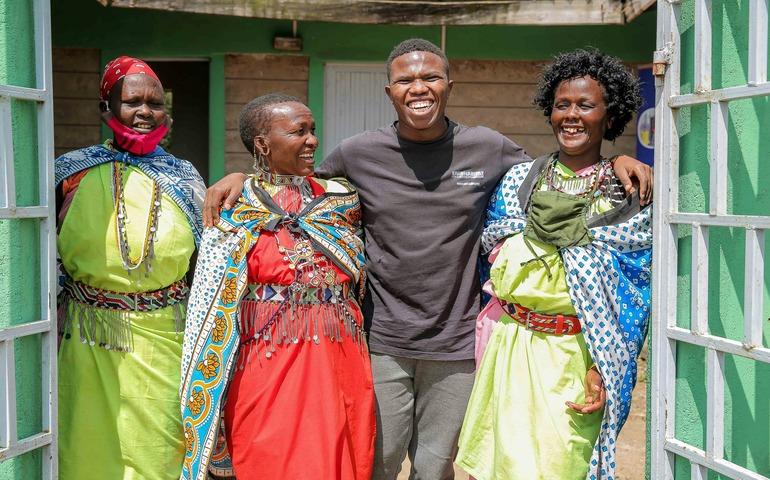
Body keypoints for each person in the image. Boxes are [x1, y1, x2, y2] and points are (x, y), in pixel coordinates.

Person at [204, 39, 652, 480]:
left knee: (435, 469)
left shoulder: (489, 148)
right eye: (406, 79)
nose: (419, 87)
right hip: (381, 342)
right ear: (390, 92)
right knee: (375, 464)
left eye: (430, 76)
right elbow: (294, 185)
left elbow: (559, 168)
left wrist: (615, 160)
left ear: (449, 85)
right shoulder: (357, 153)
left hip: (456, 347)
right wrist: (243, 176)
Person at [455, 49, 651, 480]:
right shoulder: (519, 180)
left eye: (586, 105)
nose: (572, 116)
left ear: (610, 114)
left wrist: (604, 365)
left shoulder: (625, 194)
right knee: (497, 464)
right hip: (508, 346)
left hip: (576, 353)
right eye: (562, 104)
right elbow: (491, 253)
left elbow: (635, 291)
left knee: (563, 463)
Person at [179, 94, 375, 480]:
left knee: (339, 453)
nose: (313, 140)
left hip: (339, 350)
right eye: (298, 131)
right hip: (265, 353)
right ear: (262, 144)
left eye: (313, 130)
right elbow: (211, 296)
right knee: (269, 452)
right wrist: (243, 178)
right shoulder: (233, 204)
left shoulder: (342, 199)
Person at [55, 56, 205, 480]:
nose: (144, 112)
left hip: (164, 337)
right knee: (84, 447)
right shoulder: (71, 173)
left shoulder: (184, 177)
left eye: (155, 103)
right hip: (87, 336)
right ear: (107, 108)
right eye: (132, 101)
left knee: (158, 451)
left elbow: (207, 260)